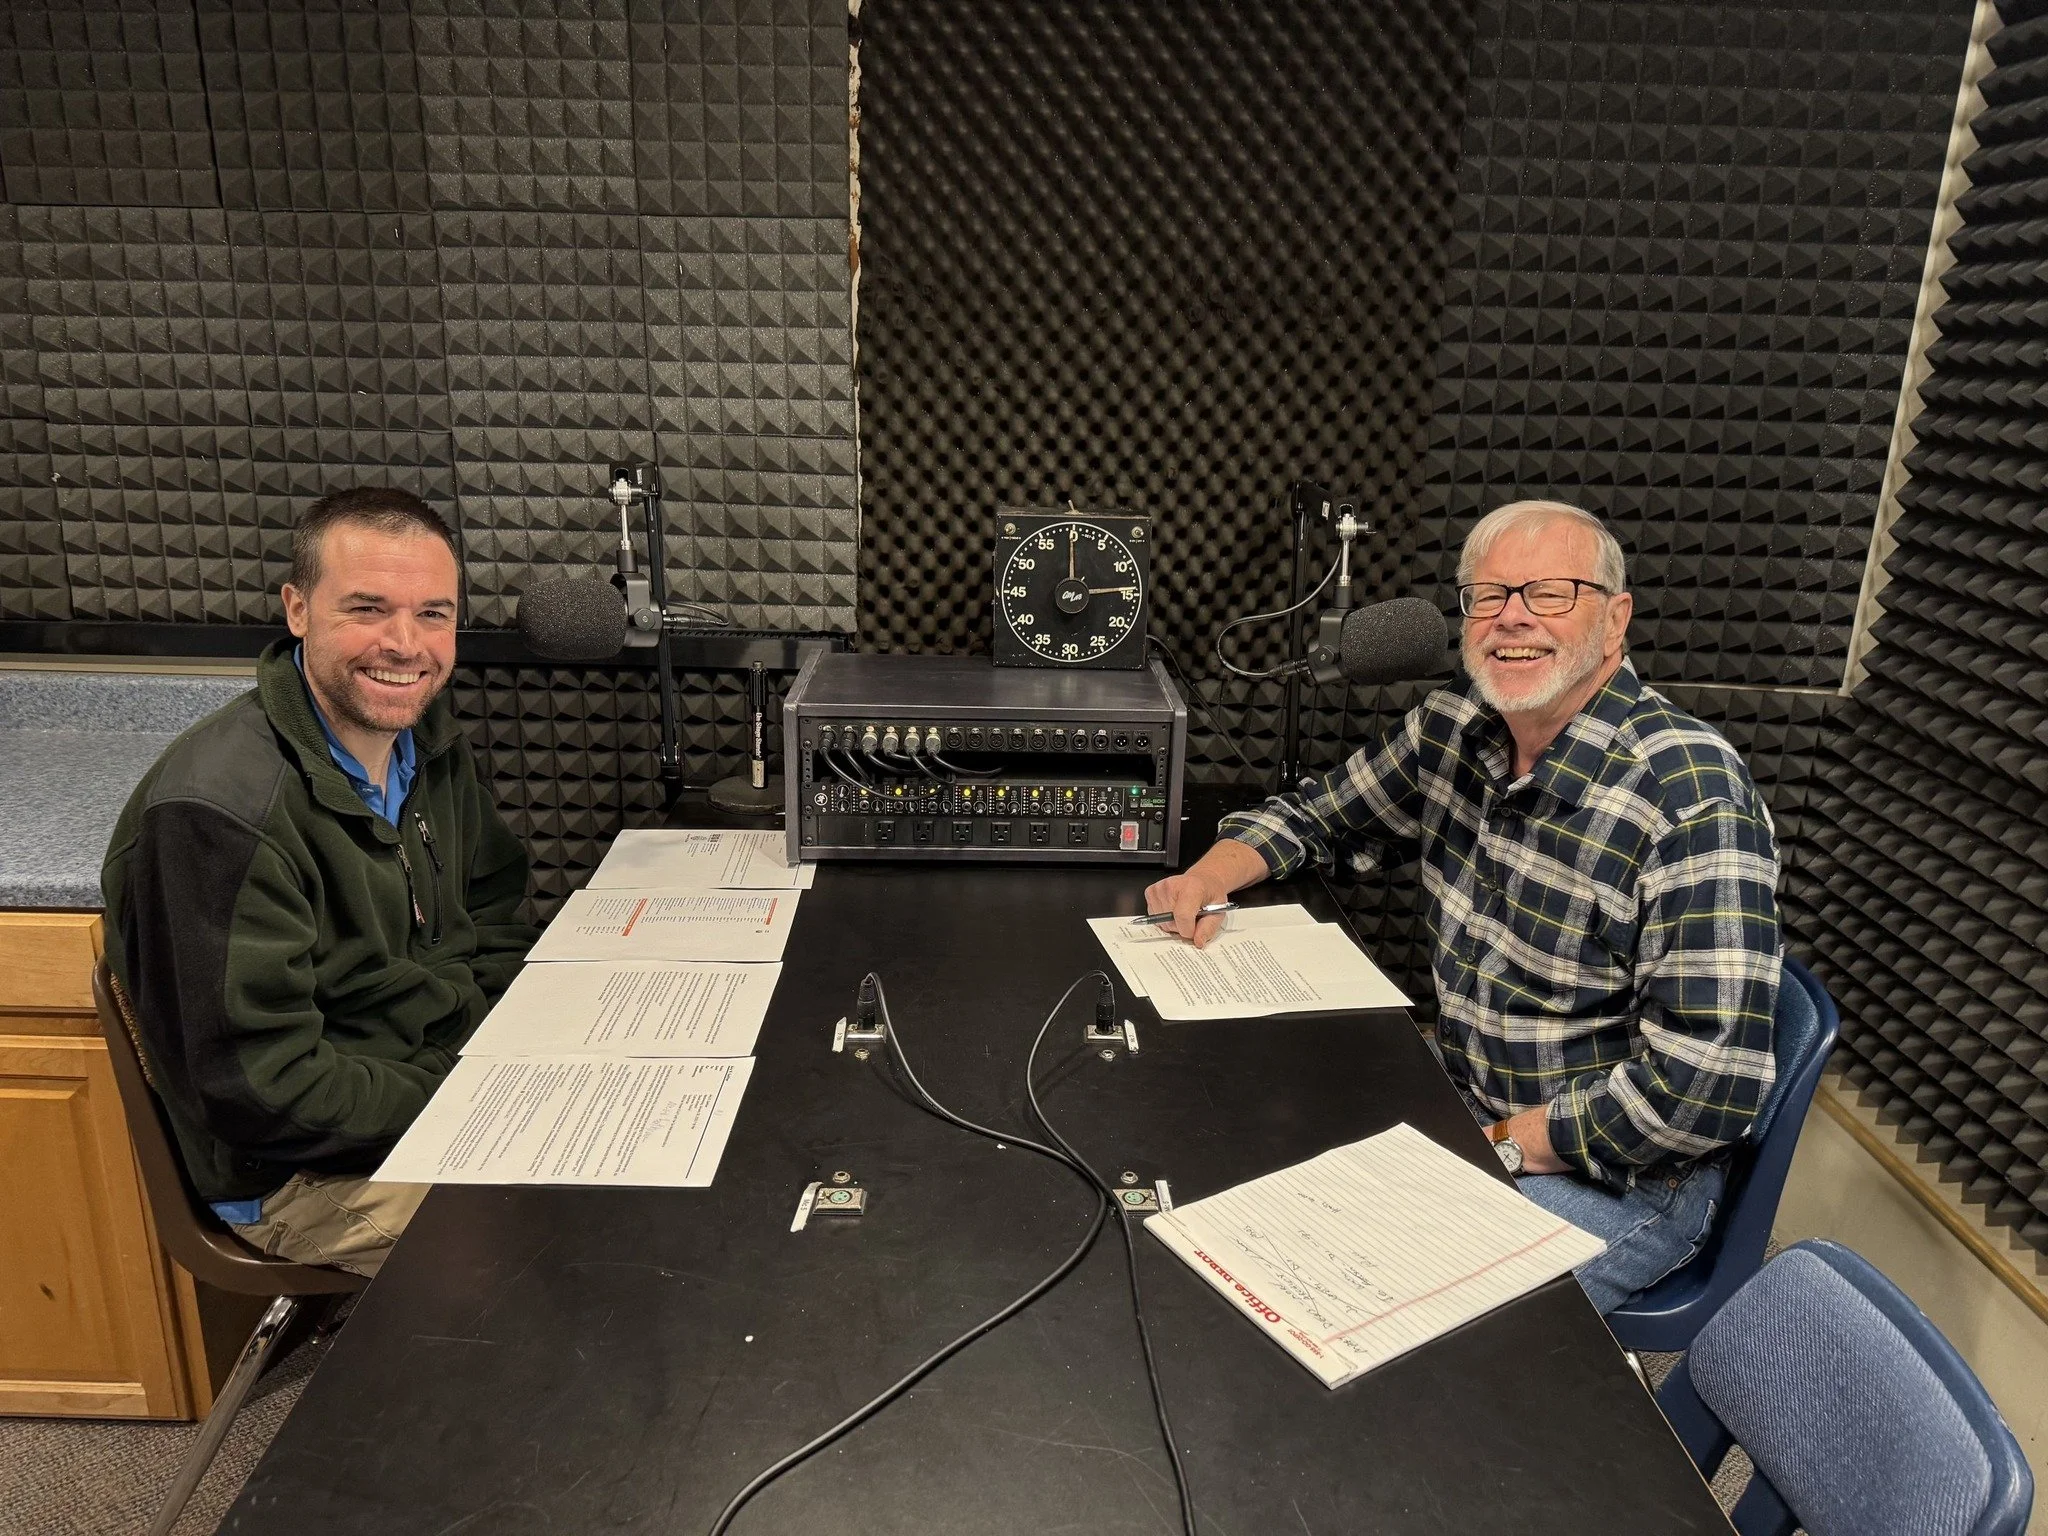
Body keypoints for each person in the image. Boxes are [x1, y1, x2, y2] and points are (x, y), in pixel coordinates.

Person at [1146, 500, 1781, 1313]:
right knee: (1231, 1191)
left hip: (1620, 1174)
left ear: (1615, 619)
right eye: (1489, 595)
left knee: (1365, 1314)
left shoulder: (1691, 801)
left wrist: (1507, 1145)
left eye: (1549, 593)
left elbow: (1705, 1088)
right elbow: (1320, 815)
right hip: (1467, 1100)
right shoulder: (1456, 726)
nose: (1512, 618)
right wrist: (1213, 872)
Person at [102, 487, 537, 1277]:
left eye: (433, 614)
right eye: (368, 609)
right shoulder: (216, 814)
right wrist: (462, 1093)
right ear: (298, 609)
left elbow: (495, 909)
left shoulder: (424, 742)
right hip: (303, 1174)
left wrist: (508, 1055)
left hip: (435, 1093)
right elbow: (261, 1091)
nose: (405, 644)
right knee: (574, 1248)